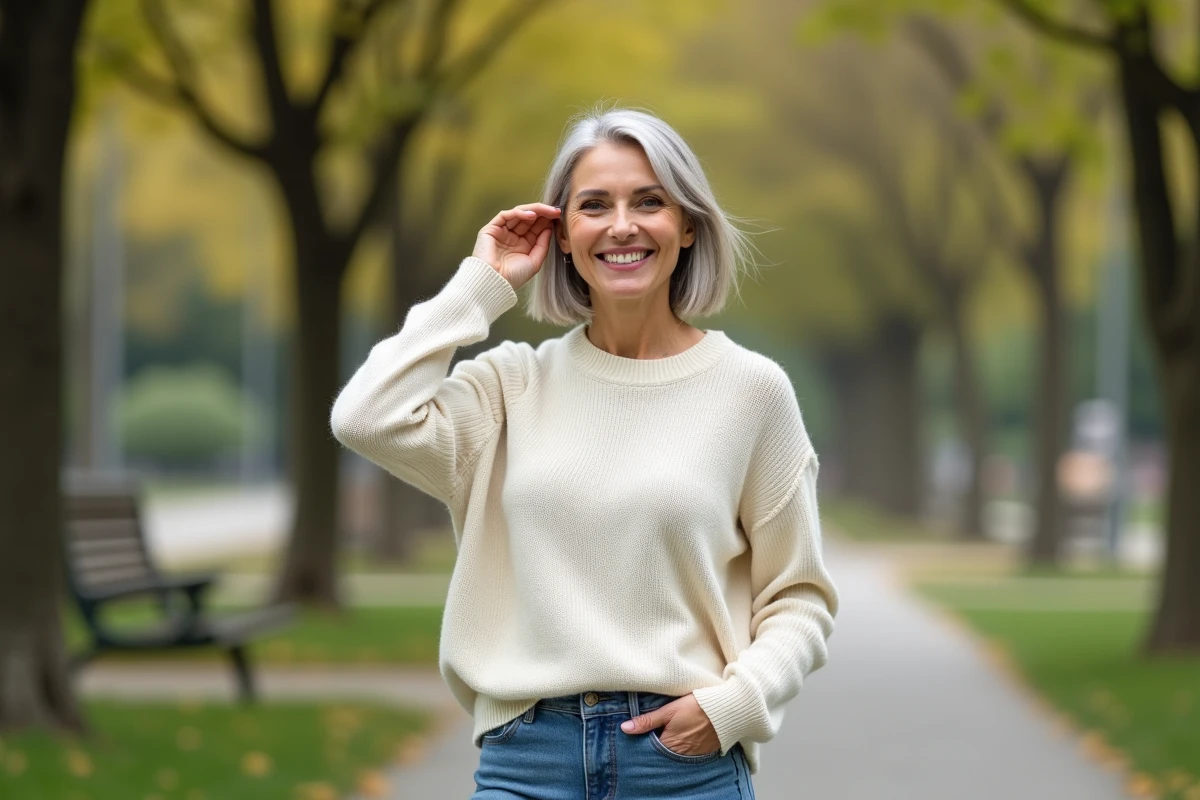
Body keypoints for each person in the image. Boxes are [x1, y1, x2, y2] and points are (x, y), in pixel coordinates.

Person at [330, 107, 838, 799]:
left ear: (687, 225)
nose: (622, 225)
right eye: (594, 205)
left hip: (684, 767)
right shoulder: (510, 386)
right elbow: (366, 417)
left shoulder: (751, 392)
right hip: (526, 761)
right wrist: (482, 285)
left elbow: (798, 597)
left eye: (649, 202)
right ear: (562, 235)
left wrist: (732, 708)